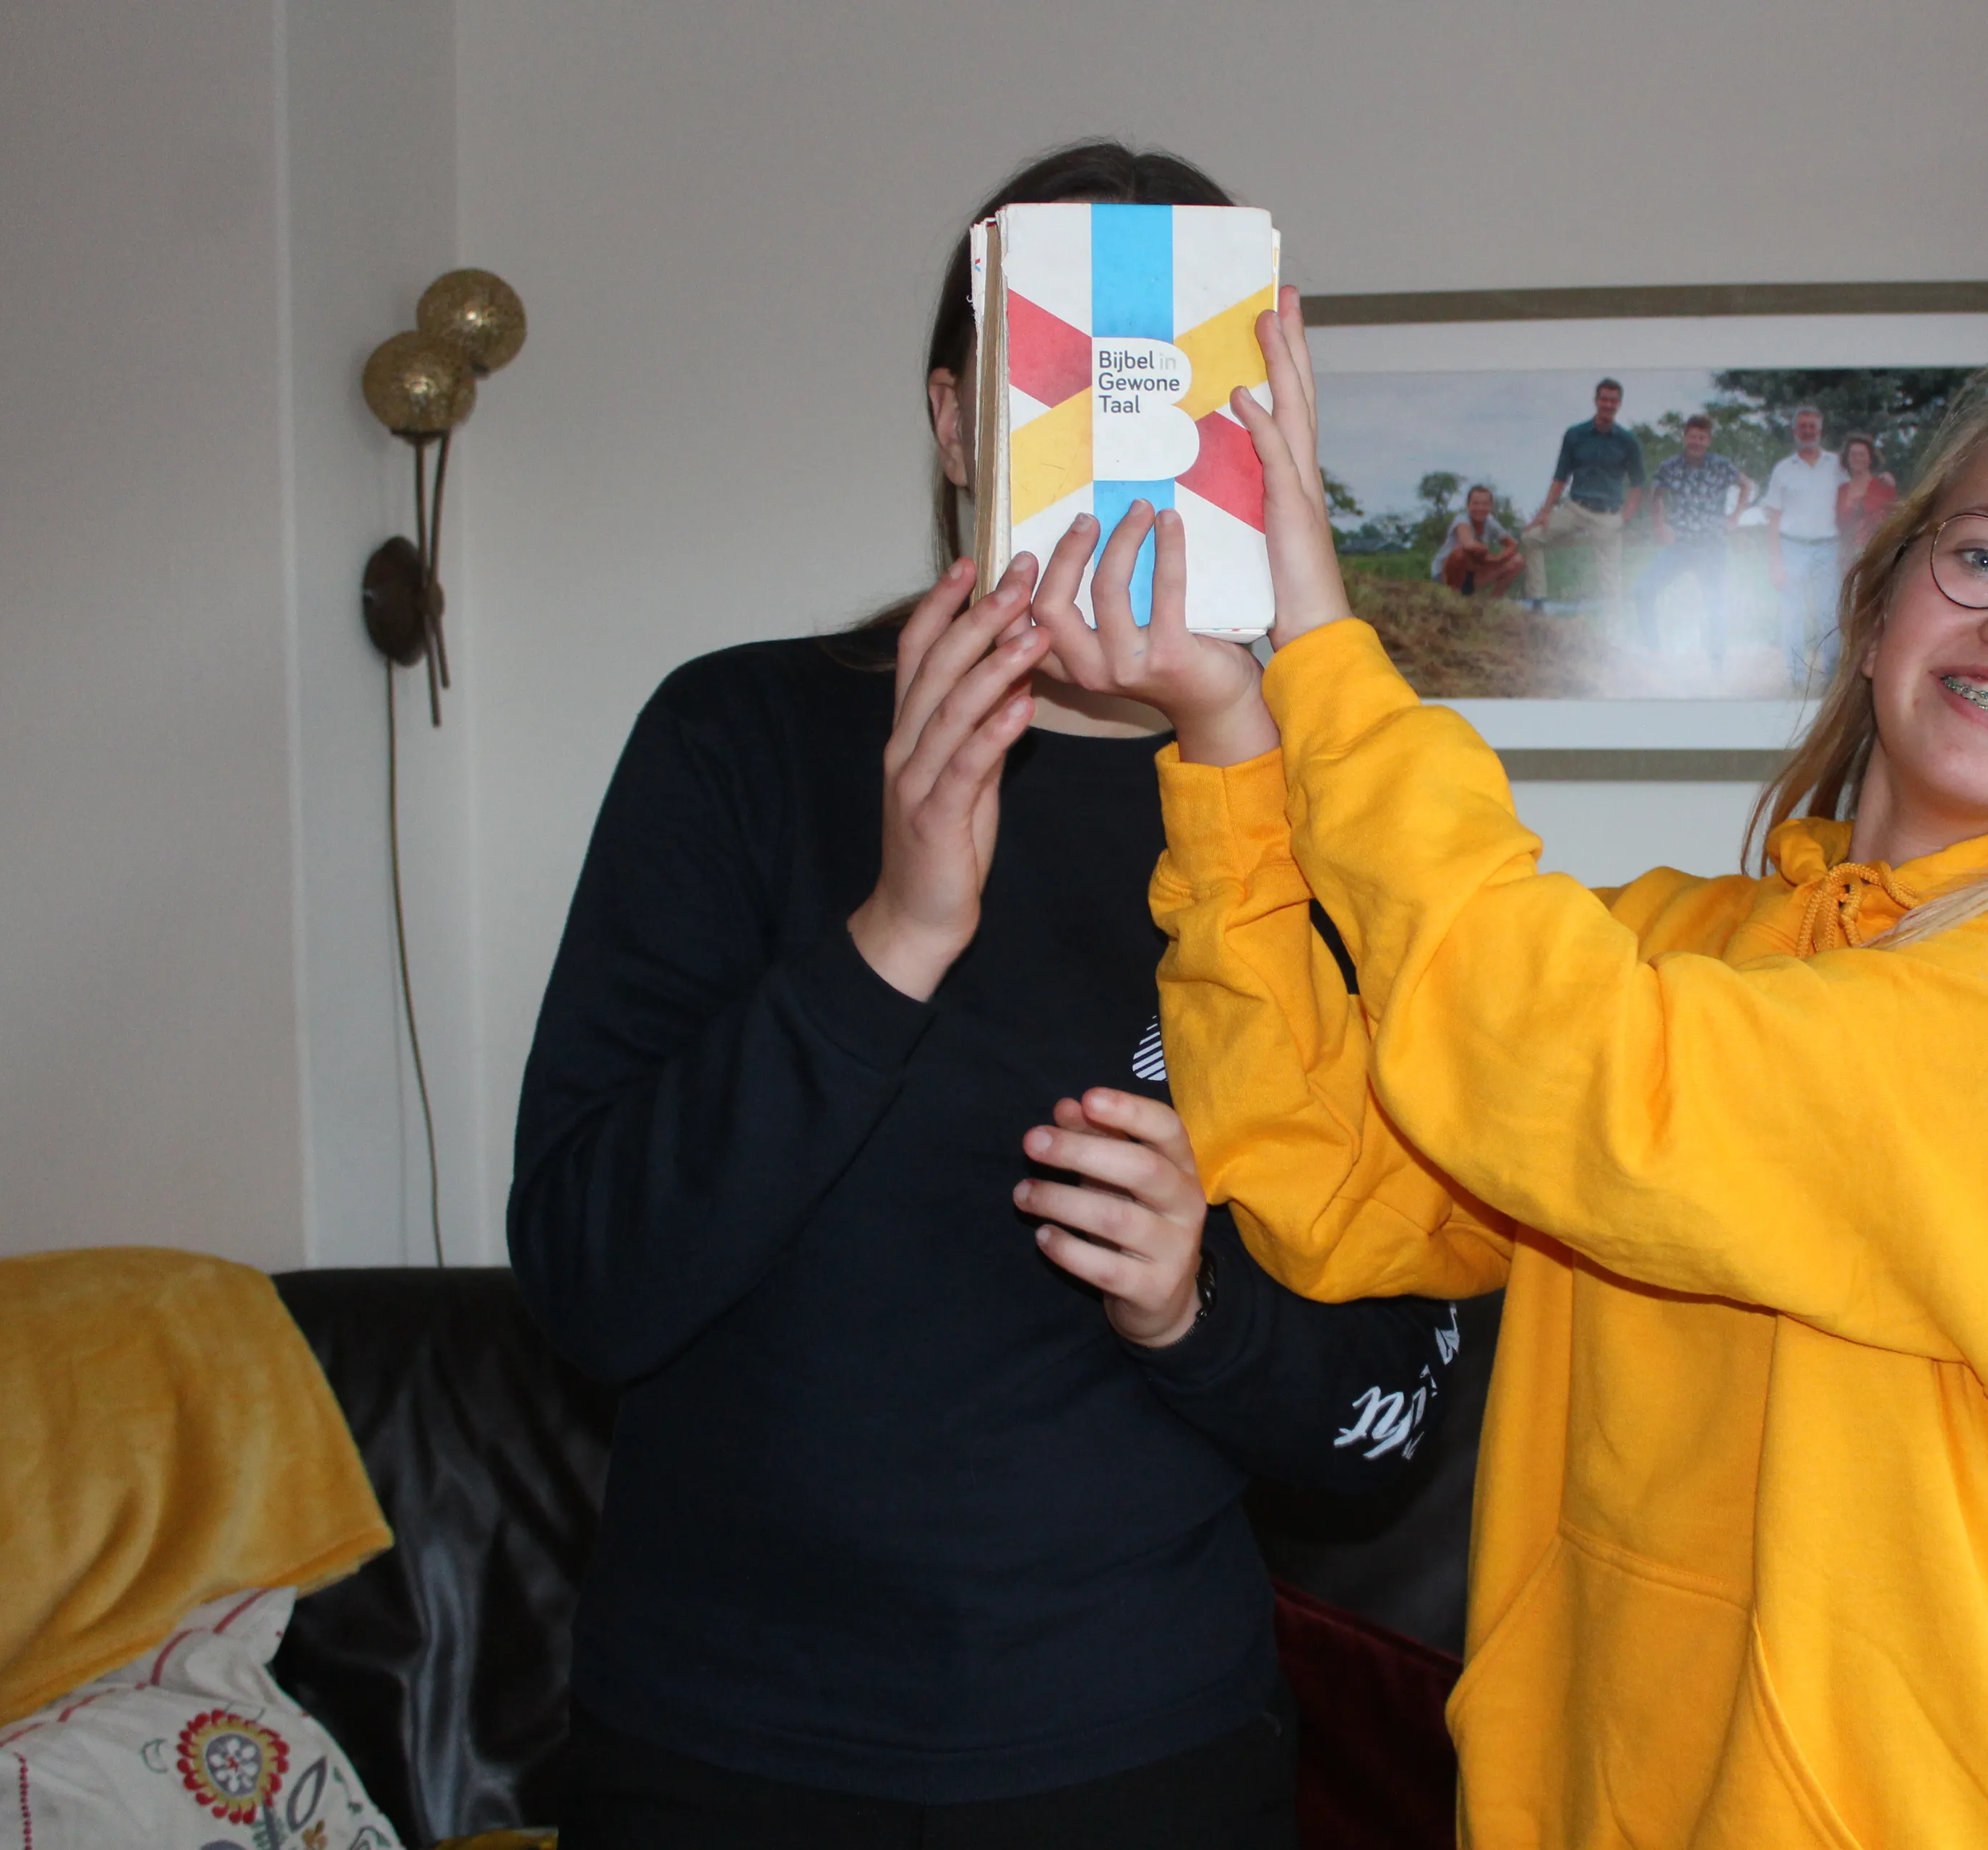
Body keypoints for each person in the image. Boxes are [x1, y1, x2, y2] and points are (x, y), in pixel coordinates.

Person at [1038, 291, 1988, 1849]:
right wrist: (1227, 731)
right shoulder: (1678, 940)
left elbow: (1596, 1079)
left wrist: (1324, 653)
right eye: (1985, 558)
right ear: (1880, 603)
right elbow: (1333, 1189)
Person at [506, 144, 1470, 1850]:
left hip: (1141, 1754)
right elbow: (591, 1286)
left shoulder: (1350, 825)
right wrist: (892, 934)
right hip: (715, 1748)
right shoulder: (737, 740)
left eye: (1194, 415)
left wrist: (1195, 1308)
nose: (1132, 472)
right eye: (1071, 402)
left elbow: (1382, 1434)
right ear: (958, 427)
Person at [1518, 378, 1646, 615]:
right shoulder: (1575, 434)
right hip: (1575, 508)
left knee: (1611, 581)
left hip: (1607, 515)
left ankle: (1613, 630)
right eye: (1604, 399)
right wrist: (1545, 511)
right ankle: (1538, 604)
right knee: (1531, 537)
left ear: (1619, 404)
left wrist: (1624, 518)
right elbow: (1561, 476)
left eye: (1613, 401)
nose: (1608, 405)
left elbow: (1638, 485)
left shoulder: (1628, 441)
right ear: (1596, 401)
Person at [1634, 412, 1746, 658]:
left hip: (1711, 545)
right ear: (1685, 438)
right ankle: (1655, 652)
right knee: (1643, 590)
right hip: (1680, 544)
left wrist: (1736, 515)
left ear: (1708, 441)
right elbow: (1656, 496)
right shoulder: (1670, 466)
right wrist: (1660, 525)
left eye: (1702, 438)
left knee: (1716, 604)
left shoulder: (1721, 465)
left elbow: (1746, 485)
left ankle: (1717, 664)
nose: (1697, 442)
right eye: (1693, 437)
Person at [1755, 404, 1848, 688]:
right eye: (1803, 427)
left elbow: (1858, 492)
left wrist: (1885, 479)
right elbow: (1774, 516)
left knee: (1828, 613)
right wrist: (1775, 562)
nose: (1808, 431)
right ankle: (1796, 676)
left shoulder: (1837, 465)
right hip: (1791, 546)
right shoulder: (1783, 469)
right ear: (1795, 431)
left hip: (1829, 546)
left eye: (1813, 427)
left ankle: (1832, 676)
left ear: (1820, 431)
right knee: (1792, 613)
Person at [1430, 482, 1522, 596]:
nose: (1480, 508)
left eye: (1485, 504)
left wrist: (1499, 558)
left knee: (1517, 560)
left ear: (1491, 506)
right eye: (1476, 503)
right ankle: (1453, 593)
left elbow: (1512, 544)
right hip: (1445, 574)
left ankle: (1494, 600)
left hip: (1473, 572)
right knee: (1460, 554)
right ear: (1468, 505)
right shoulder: (1462, 519)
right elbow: (1468, 544)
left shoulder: (1491, 522)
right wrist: (1487, 554)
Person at [1835, 429, 1898, 564]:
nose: (1857, 458)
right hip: (1848, 558)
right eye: (1853, 454)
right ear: (1847, 458)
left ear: (1870, 459)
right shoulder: (1842, 490)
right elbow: (1840, 525)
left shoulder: (1883, 485)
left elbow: (1894, 521)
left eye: (1862, 455)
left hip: (1876, 554)